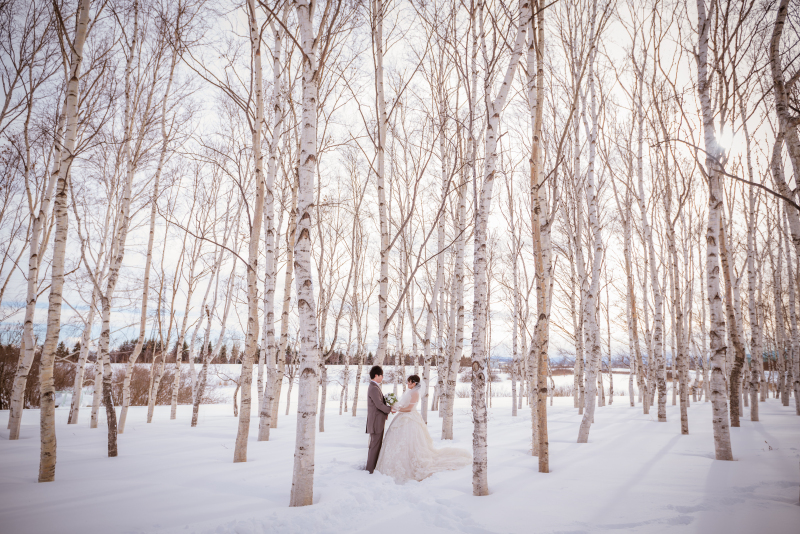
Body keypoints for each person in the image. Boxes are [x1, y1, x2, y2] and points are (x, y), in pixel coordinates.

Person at [376, 374, 471, 483]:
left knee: (411, 441)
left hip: (410, 418)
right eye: (408, 382)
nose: (408, 384)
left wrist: (397, 409)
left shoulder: (415, 393)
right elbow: (404, 405)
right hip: (403, 417)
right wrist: (396, 406)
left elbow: (410, 408)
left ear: (414, 383)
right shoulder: (410, 392)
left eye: (409, 382)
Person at [366, 365, 392, 473]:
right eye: (381, 376)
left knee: (376, 445)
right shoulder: (373, 388)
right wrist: (390, 408)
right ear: (376, 375)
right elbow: (379, 405)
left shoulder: (375, 387)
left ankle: (372, 468)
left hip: (377, 422)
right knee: (374, 446)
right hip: (376, 423)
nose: (382, 378)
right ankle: (370, 470)